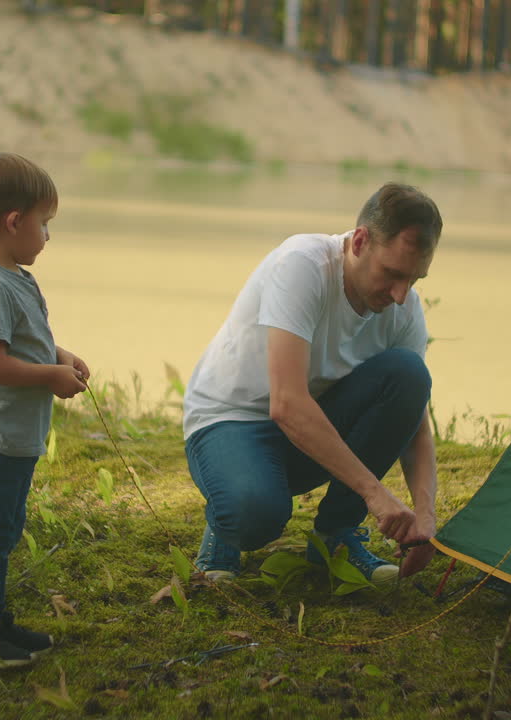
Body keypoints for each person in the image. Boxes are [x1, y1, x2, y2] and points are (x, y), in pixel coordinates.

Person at [183, 182, 443, 584]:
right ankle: (224, 524)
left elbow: (414, 418)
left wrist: (426, 516)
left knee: (409, 375)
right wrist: (376, 494)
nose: (400, 294)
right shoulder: (302, 265)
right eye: (391, 274)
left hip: (306, 431)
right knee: (254, 516)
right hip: (230, 422)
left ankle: (335, 539)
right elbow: (286, 403)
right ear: (359, 241)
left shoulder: (404, 304)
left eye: (414, 279)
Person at [0, 153, 90, 671]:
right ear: (14, 222)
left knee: (5, 532)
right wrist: (50, 378)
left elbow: (28, 340)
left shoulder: (15, 277)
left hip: (15, 437)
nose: (47, 238)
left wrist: (60, 356)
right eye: (45, 224)